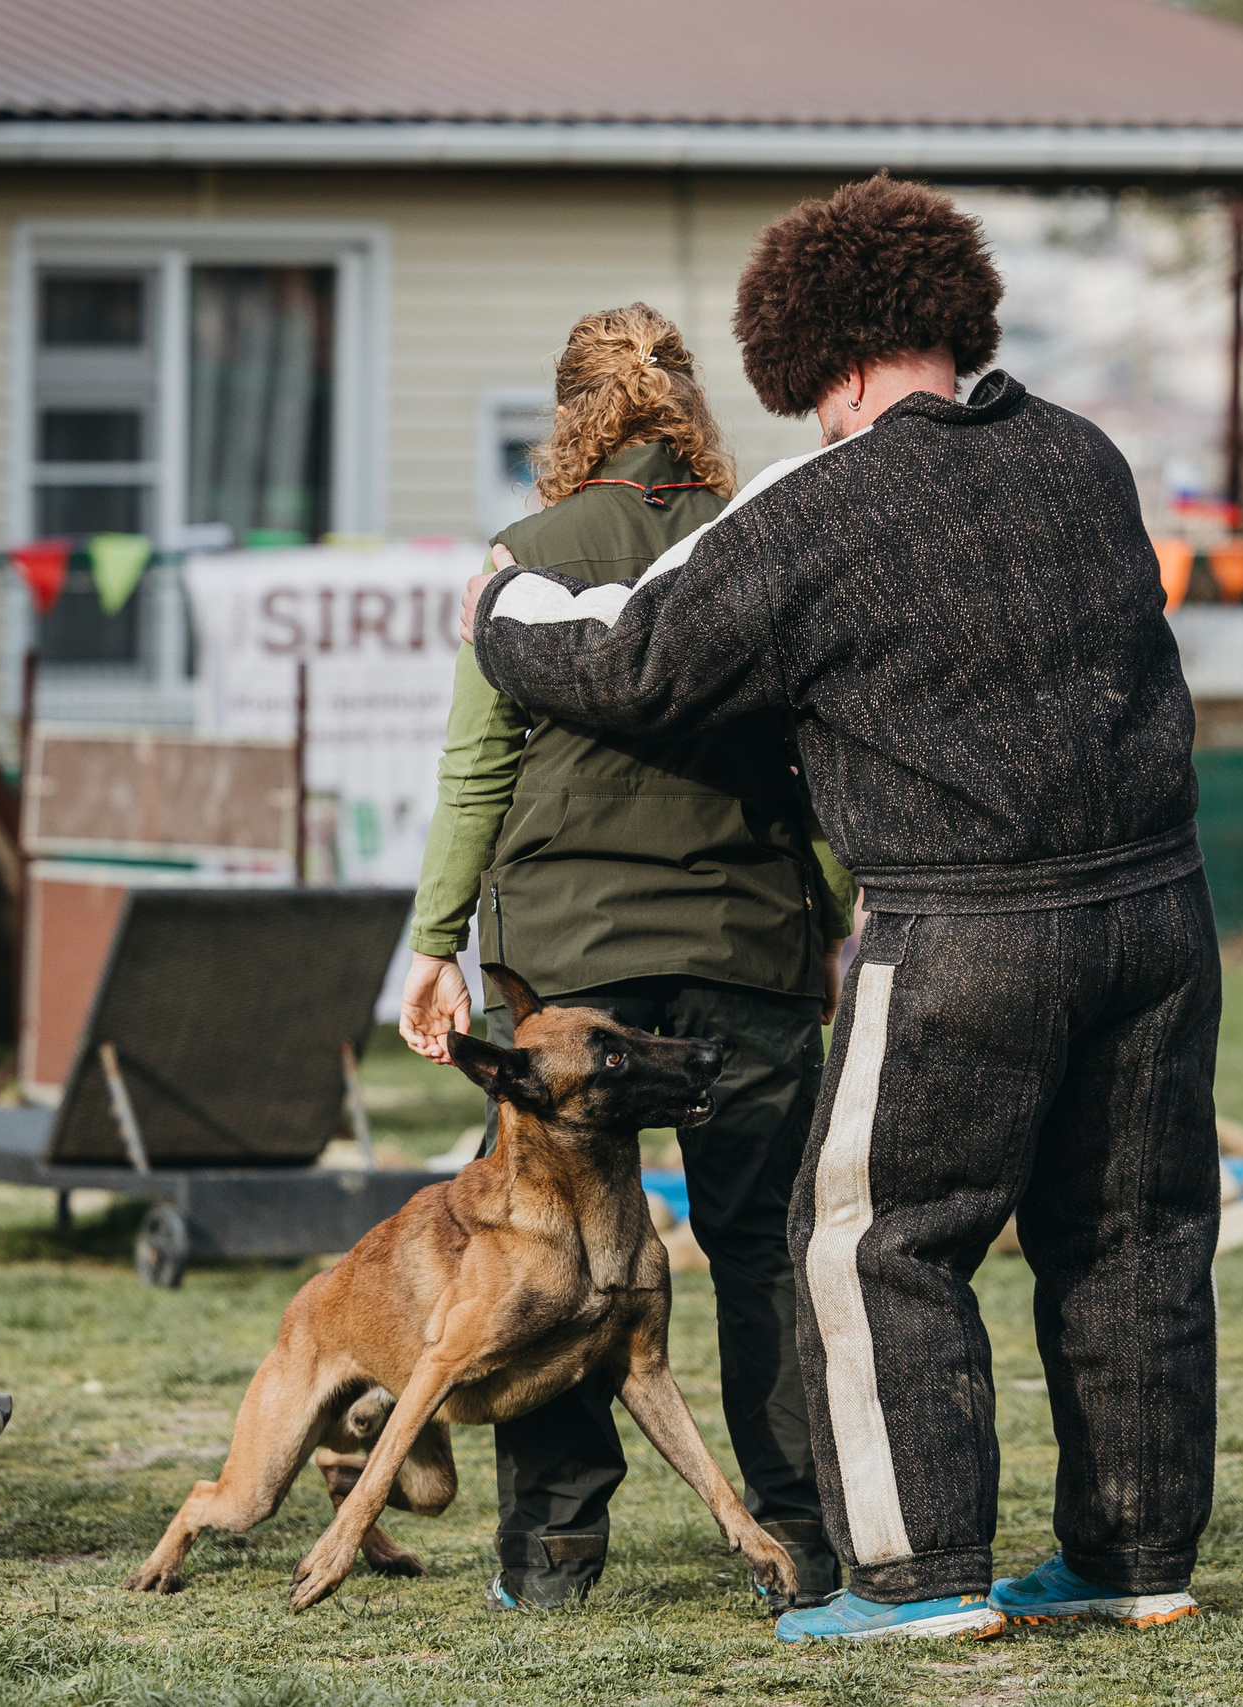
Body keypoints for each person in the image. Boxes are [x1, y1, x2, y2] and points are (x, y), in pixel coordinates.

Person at [466, 176, 1220, 1645]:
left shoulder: (825, 499)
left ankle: (917, 1579)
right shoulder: (1083, 454)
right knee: (1132, 1235)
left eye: (809, 390)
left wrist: (506, 604)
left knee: (873, 1241)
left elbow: (635, 662)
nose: (812, 416)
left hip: (963, 930)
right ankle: (1134, 1560)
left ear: (828, 361)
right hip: (1160, 911)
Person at [399, 304, 856, 1614]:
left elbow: (478, 766)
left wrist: (436, 940)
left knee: (544, 1255)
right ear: (691, 410)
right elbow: (827, 749)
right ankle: (802, 1541)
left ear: (568, 419)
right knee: (765, 1249)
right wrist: (827, 908)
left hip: (566, 968)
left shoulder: (525, 561)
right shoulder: (761, 539)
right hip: (747, 943)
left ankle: (553, 1557)